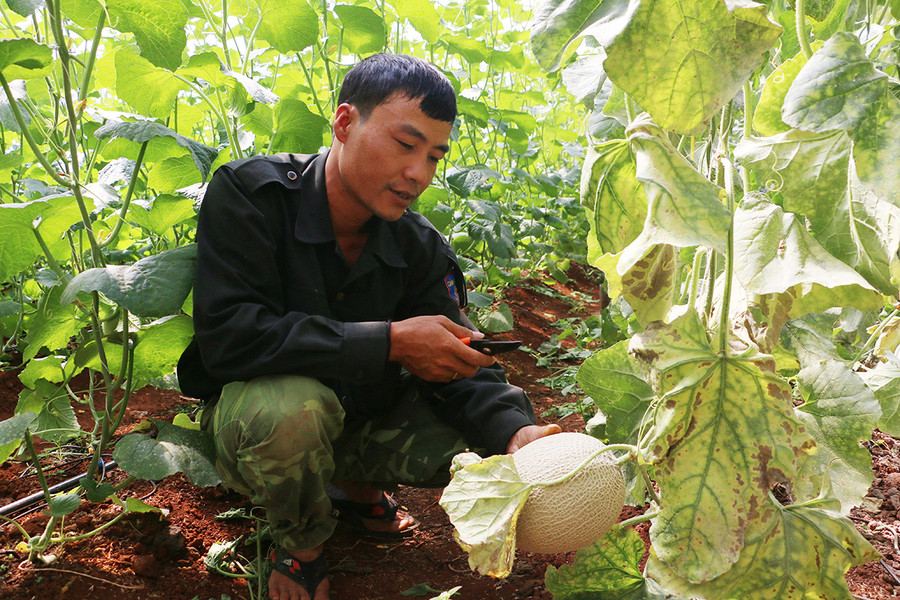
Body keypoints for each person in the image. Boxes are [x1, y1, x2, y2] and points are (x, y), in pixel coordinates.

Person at [176, 53, 560, 600]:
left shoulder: (417, 243)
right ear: (344, 123)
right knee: (292, 409)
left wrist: (514, 431)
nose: (419, 174)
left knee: (483, 445)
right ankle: (301, 542)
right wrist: (391, 341)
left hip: (361, 417)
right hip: (258, 424)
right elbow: (231, 336)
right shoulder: (252, 197)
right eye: (406, 145)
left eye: (433, 156)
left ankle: (355, 485)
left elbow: (457, 358)